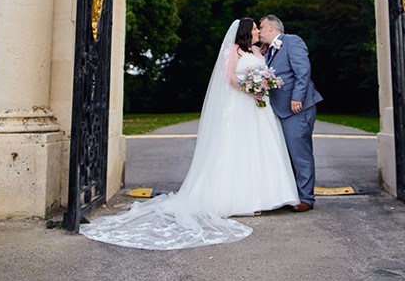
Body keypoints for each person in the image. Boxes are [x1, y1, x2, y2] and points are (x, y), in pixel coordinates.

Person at [80, 18, 299, 250]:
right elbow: (230, 78)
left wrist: (262, 87)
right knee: (238, 149)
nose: (257, 30)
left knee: (261, 149)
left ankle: (267, 197)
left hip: (259, 109)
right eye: (254, 28)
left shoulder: (257, 51)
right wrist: (251, 90)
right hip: (241, 106)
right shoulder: (234, 50)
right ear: (246, 32)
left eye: (259, 27)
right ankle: (241, 201)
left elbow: (264, 74)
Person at [258, 14, 323, 211]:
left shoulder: (292, 41)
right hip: (280, 109)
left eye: (260, 27)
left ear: (271, 27)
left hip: (297, 107)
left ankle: (306, 199)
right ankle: (293, 194)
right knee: (287, 154)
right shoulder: (268, 51)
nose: (259, 32)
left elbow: (303, 71)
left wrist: (298, 97)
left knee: (300, 153)